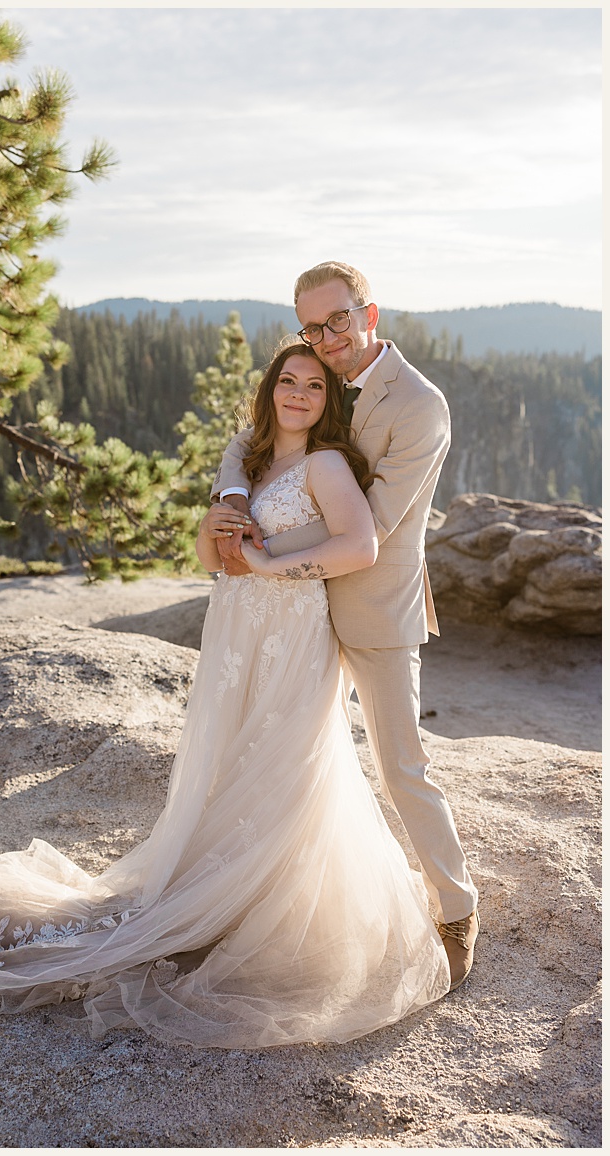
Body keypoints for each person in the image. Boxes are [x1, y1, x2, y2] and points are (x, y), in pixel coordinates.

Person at [0, 338, 452, 1048]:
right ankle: (224, 888)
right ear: (270, 392)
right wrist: (216, 533)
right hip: (236, 627)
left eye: (313, 385)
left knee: (286, 758)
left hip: (292, 629)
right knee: (230, 755)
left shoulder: (326, 464)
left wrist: (274, 564)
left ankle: (268, 901)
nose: (299, 393)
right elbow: (215, 560)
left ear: (329, 400)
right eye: (288, 382)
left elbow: (358, 546)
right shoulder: (253, 461)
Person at [211, 261, 475, 986]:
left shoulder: (420, 405)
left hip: (372, 606)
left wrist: (254, 548)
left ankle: (455, 907)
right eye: (311, 326)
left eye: (338, 320)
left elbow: (374, 529)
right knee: (285, 755)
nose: (326, 338)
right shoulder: (316, 380)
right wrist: (235, 497)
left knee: (400, 765)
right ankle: (272, 901)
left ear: (370, 313)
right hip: (297, 615)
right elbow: (252, 437)